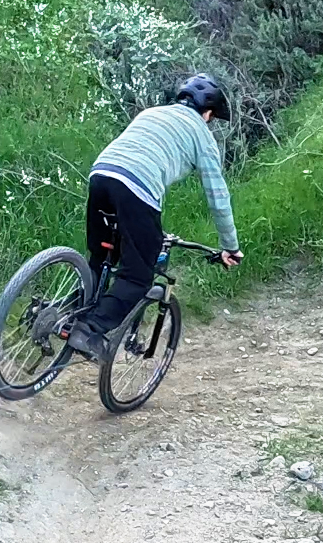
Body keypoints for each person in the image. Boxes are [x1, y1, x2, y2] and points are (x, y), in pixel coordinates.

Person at [63, 74, 242, 359]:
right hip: (137, 187)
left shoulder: (151, 113)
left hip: (101, 174)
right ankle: (88, 329)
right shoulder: (202, 136)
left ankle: (66, 313)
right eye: (212, 117)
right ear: (207, 113)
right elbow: (218, 197)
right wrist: (230, 245)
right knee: (138, 276)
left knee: (100, 258)